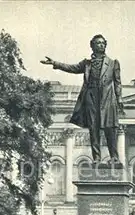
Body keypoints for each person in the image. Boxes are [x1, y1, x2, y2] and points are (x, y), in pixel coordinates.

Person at [40, 34, 123, 163]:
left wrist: (119, 99)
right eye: (97, 43)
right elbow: (72, 68)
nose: (101, 45)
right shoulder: (87, 64)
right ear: (92, 45)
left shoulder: (113, 63)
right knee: (93, 129)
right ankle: (97, 158)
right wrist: (55, 63)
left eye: (103, 43)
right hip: (91, 97)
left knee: (109, 128)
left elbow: (117, 83)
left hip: (107, 99)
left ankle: (114, 158)